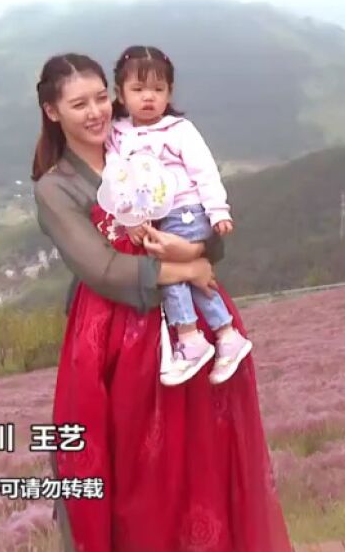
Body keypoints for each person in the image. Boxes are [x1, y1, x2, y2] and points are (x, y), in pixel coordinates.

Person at [30, 52, 292, 552]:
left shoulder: (142, 143)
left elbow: (204, 224)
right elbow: (102, 270)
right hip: (117, 339)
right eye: (78, 103)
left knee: (206, 462)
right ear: (52, 111)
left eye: (102, 97)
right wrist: (187, 270)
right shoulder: (56, 187)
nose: (96, 112)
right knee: (139, 476)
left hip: (194, 323)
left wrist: (197, 254)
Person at [102, 45, 252, 387]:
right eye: (138, 90)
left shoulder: (179, 130)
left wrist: (217, 211)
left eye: (158, 89)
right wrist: (128, 216)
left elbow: (205, 172)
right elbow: (116, 177)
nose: (148, 98)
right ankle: (226, 334)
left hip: (185, 212)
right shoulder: (118, 134)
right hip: (152, 215)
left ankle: (190, 337)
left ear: (170, 92)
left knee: (170, 274)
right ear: (121, 95)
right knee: (186, 275)